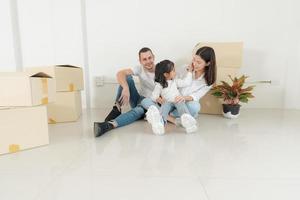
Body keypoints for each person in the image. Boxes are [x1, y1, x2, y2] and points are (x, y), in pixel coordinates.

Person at [141, 46, 217, 126]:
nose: (194, 64)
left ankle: (161, 115)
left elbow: (196, 96)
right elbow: (169, 81)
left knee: (195, 106)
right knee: (145, 101)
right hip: (169, 101)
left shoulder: (209, 81)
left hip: (184, 104)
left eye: (199, 62)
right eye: (194, 59)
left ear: (208, 63)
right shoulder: (184, 68)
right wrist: (160, 97)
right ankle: (174, 119)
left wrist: (183, 98)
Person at [94, 47, 161, 137]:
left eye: (150, 58)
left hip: (150, 103)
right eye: (144, 59)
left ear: (154, 57)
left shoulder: (162, 70)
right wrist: (125, 88)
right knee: (127, 77)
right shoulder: (139, 69)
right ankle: (116, 108)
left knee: (138, 110)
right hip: (139, 99)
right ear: (140, 61)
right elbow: (120, 73)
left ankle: (109, 125)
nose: (148, 61)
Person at [143, 59, 197, 135]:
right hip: (167, 102)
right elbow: (153, 95)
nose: (175, 72)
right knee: (164, 107)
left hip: (177, 100)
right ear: (166, 74)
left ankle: (187, 120)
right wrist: (158, 99)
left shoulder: (175, 81)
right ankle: (160, 123)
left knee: (181, 104)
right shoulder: (160, 85)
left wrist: (190, 72)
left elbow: (186, 82)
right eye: (173, 70)